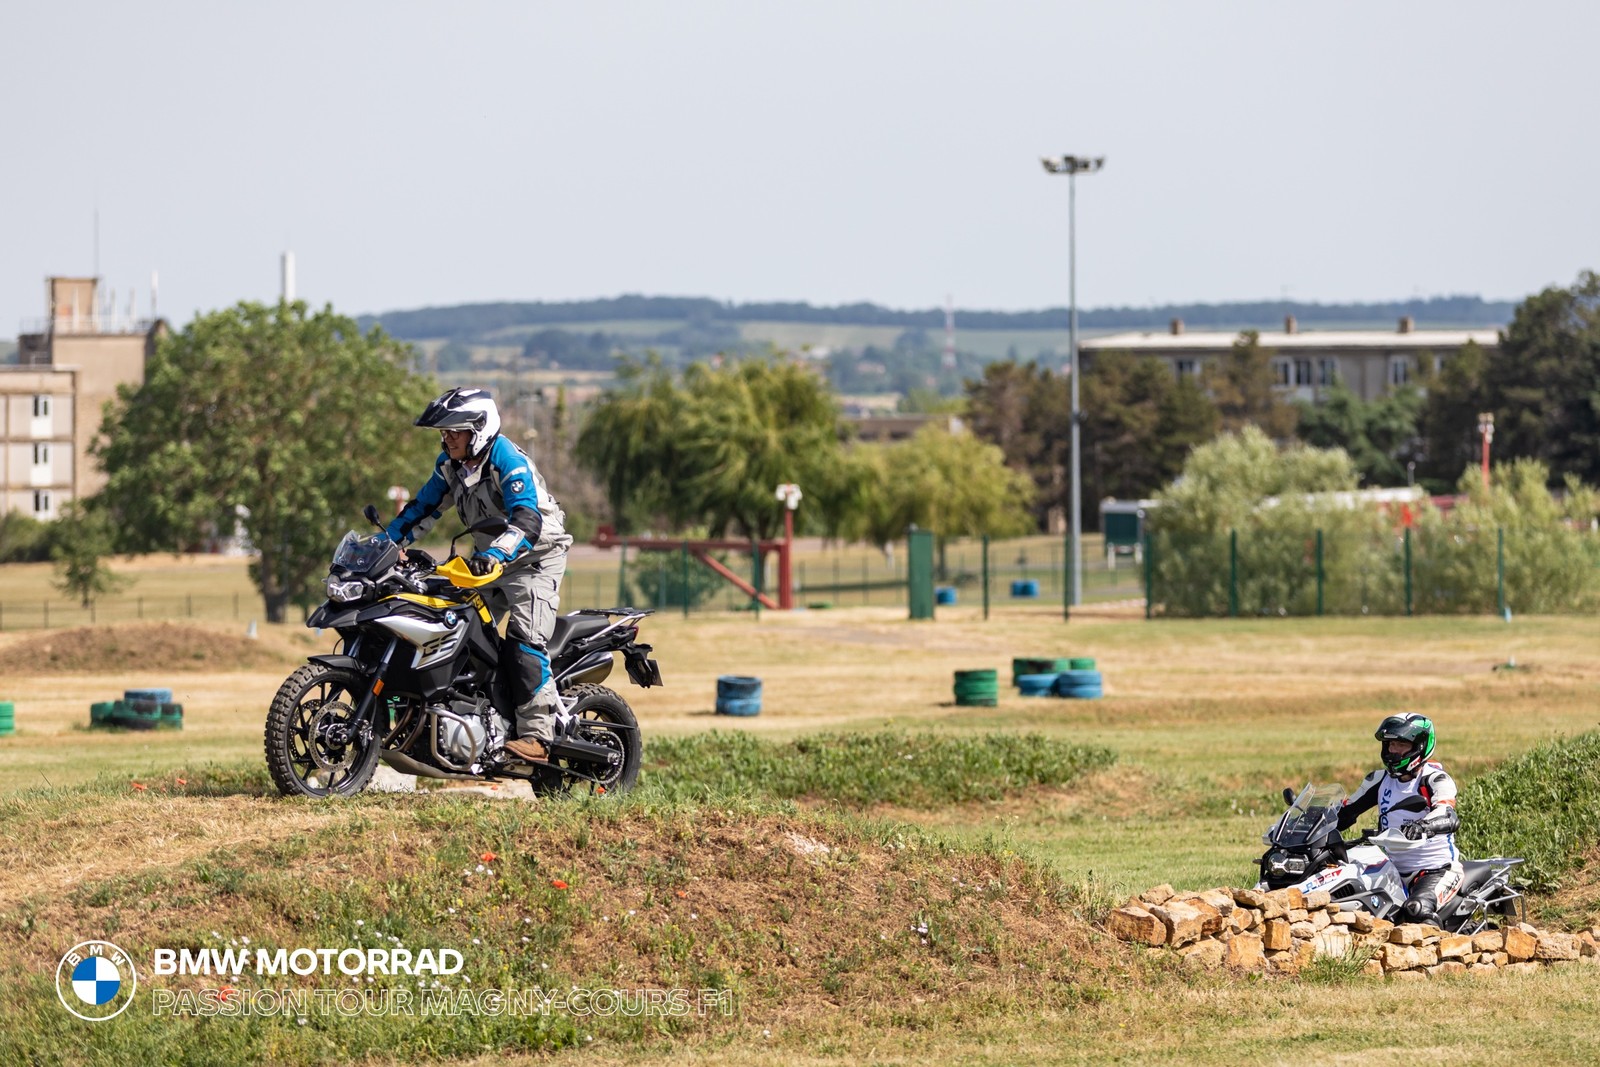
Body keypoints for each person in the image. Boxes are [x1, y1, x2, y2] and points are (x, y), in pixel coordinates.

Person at [384, 387, 572, 764]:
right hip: (488, 562)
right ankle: (474, 719)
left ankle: (537, 735)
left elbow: (527, 519)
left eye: (455, 431)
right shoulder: (451, 465)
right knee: (455, 631)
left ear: (479, 430)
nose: (447, 438)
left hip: (534, 558)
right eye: (444, 432)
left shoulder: (506, 459)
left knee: (523, 641)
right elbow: (422, 509)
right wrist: (383, 545)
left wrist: (497, 554)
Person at [1336, 713, 1463, 924]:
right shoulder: (1379, 780)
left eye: (1401, 745)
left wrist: (1424, 826)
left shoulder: (1435, 779)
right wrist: (1315, 821)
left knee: (1416, 911)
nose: (1393, 751)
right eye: (1391, 744)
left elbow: (1448, 815)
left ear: (1420, 747)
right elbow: (1347, 811)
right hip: (1391, 868)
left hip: (1436, 869)